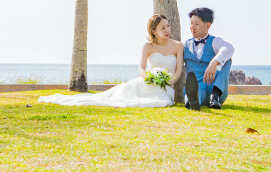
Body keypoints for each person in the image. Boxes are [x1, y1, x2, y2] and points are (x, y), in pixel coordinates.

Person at [38, 14, 183, 108]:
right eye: (162, 28)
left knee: (161, 102)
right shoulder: (148, 46)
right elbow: (141, 69)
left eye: (168, 26)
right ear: (154, 31)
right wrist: (149, 78)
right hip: (145, 83)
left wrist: (170, 81)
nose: (167, 30)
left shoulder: (177, 46)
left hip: (166, 87)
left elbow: (179, 70)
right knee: (117, 97)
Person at [183, 7, 234, 110]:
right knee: (195, 91)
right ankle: (193, 102)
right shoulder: (185, 45)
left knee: (227, 59)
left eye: (196, 24)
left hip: (213, 87)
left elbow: (229, 48)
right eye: (191, 23)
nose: (192, 27)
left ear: (208, 25)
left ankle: (215, 96)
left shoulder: (215, 41)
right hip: (197, 87)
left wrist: (214, 63)